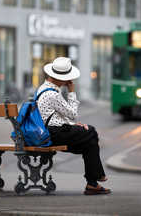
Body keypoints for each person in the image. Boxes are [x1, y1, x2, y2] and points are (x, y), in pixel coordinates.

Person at [36, 57, 111, 195]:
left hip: (53, 131)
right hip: (55, 133)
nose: (68, 81)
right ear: (60, 78)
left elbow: (57, 116)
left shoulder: (43, 88)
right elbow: (72, 113)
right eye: (66, 78)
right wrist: (71, 92)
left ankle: (92, 184)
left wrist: (74, 125)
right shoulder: (52, 94)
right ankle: (96, 176)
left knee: (89, 143)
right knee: (91, 131)